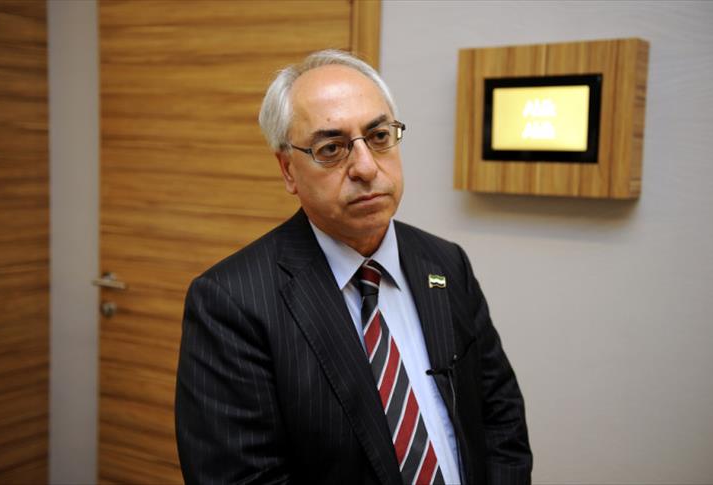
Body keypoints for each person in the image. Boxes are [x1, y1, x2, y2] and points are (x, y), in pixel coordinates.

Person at [175, 49, 532, 485]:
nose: (365, 167)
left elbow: (500, 418)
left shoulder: (445, 262)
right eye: (331, 148)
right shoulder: (230, 302)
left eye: (379, 136)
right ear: (288, 170)